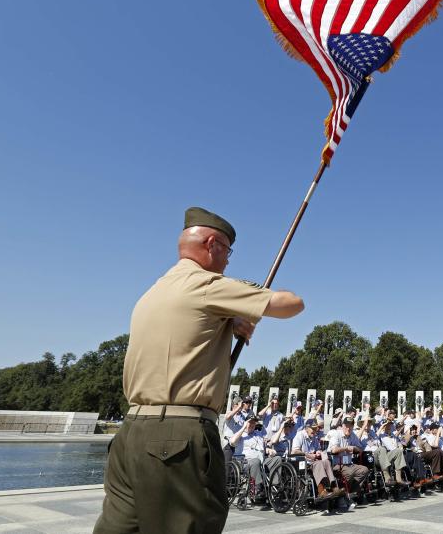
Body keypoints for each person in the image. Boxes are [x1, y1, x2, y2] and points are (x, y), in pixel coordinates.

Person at [94, 206, 304, 534]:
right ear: (211, 244)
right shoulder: (206, 285)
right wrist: (242, 309)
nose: (227, 261)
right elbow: (291, 304)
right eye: (227, 251)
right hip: (178, 436)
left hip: (131, 433)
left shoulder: (153, 292)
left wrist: (228, 321)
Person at [291, 419, 344, 501]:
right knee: (318, 463)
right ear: (306, 428)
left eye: (316, 429)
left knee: (326, 462)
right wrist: (308, 455)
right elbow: (295, 450)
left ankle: (334, 487)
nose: (315, 430)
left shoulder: (314, 437)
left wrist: (318, 452)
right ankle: (321, 491)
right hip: (301, 462)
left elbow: (318, 449)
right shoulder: (299, 435)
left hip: (313, 461)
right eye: (313, 428)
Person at [328, 416, 370, 507]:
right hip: (337, 464)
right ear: (342, 426)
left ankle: (350, 493)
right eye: (346, 426)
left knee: (364, 470)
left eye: (350, 426)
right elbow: (334, 450)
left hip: (349, 464)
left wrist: (354, 448)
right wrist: (346, 448)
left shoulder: (353, 435)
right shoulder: (336, 434)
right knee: (349, 472)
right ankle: (343, 497)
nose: (348, 428)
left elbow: (360, 449)